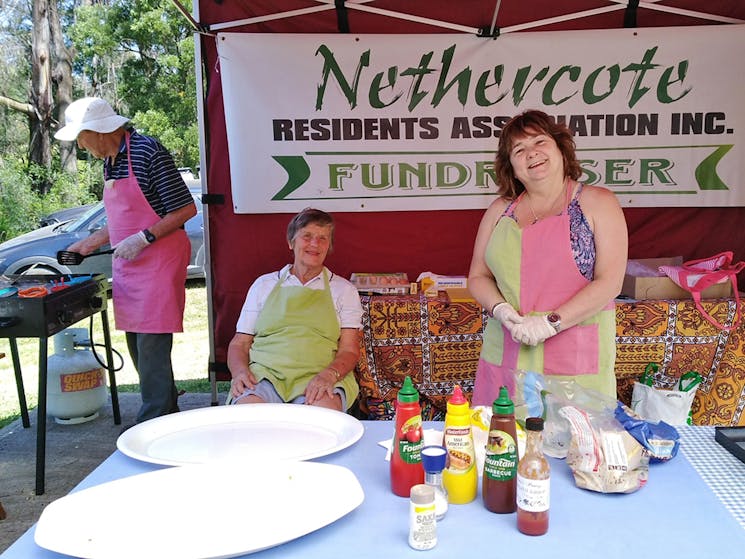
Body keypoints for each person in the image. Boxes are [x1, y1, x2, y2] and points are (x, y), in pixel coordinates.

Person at [468, 109, 628, 404]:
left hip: (573, 360)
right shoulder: (499, 211)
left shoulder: (597, 202)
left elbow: (610, 282)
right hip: (508, 349)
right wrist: (500, 309)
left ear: (560, 148)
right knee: (503, 441)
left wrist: (551, 323)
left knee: (571, 444)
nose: (531, 154)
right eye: (519, 149)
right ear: (511, 167)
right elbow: (477, 277)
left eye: (540, 142)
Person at [54, 97, 197, 423]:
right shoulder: (110, 161)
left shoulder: (148, 151)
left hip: (159, 260)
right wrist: (88, 243)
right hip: (130, 265)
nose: (80, 145)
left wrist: (144, 238)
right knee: (137, 345)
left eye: (81, 137)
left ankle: (151, 424)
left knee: (151, 347)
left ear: (99, 131)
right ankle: (167, 410)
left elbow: (185, 209)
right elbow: (122, 219)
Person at [227, 208, 362, 411]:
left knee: (319, 423)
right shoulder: (263, 285)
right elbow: (240, 343)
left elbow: (350, 350)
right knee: (249, 419)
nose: (315, 244)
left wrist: (328, 375)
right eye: (307, 236)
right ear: (291, 242)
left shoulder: (344, 290)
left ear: (329, 247)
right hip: (264, 376)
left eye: (323, 238)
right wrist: (239, 372)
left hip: (319, 376)